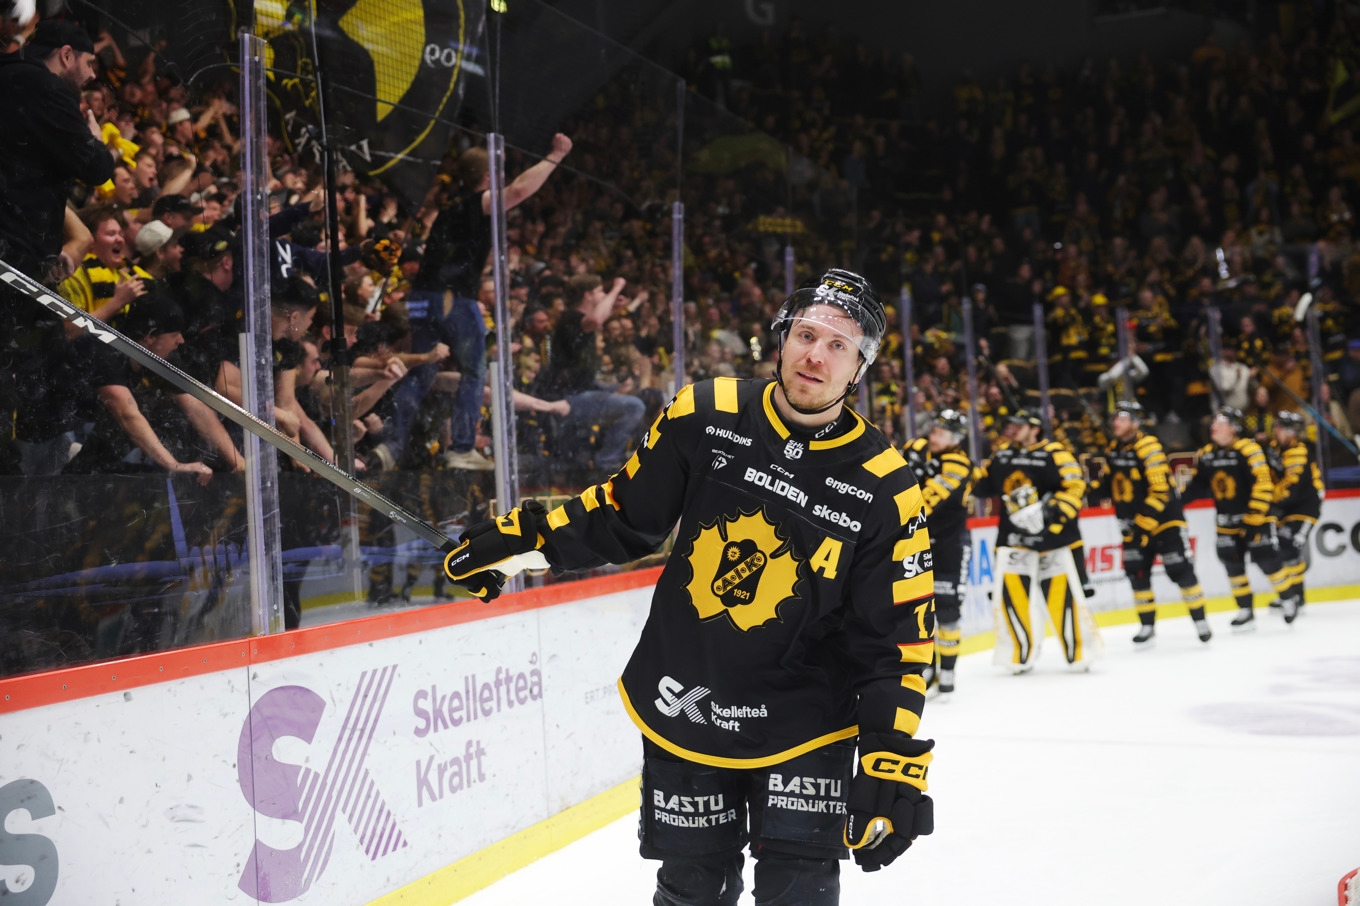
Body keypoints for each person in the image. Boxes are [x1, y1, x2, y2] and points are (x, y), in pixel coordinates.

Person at [443, 269, 936, 905]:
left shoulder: (886, 485)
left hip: (807, 725)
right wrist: (526, 541)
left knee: (800, 895)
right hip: (689, 703)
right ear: (782, 338)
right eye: (806, 335)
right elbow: (622, 514)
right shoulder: (707, 411)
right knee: (690, 892)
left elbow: (896, 640)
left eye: (838, 345)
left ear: (859, 367)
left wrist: (891, 760)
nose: (816, 355)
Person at [384, 134, 573, 471]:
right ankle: (461, 448)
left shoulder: (451, 206)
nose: (503, 179)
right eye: (498, 173)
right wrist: (555, 156)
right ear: (487, 176)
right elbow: (519, 191)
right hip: (454, 299)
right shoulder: (476, 202)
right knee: (474, 372)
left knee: (421, 370)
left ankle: (389, 446)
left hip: (422, 298)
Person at [63, 291, 243, 479]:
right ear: (149, 337)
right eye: (174, 334)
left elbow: (197, 409)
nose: (181, 340)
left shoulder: (160, 357)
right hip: (55, 434)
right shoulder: (108, 356)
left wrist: (238, 462)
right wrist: (173, 465)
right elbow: (127, 414)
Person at [973, 410, 1101, 673]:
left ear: (1034, 428)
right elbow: (983, 486)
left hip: (1052, 539)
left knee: (1063, 597)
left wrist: (1051, 512)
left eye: (1019, 425)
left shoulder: (1056, 453)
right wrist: (969, 473)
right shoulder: (1003, 454)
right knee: (1012, 599)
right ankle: (1018, 656)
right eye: (1011, 425)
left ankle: (1079, 653)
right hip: (1013, 539)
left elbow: (1076, 487)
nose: (1012, 429)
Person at [1103, 400, 1211, 645]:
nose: (1116, 422)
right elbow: (1108, 485)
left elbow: (1161, 492)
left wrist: (1142, 523)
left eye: (1122, 417)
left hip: (1164, 523)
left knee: (1181, 571)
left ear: (1135, 422)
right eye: (1115, 417)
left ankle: (1201, 622)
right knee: (1137, 574)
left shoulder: (1149, 446)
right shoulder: (1113, 449)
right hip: (1133, 526)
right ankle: (1147, 626)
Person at [1181, 407, 1291, 631]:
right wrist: (1176, 500)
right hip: (1226, 522)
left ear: (1233, 428)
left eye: (1220, 422)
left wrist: (1254, 518)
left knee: (1268, 561)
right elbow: (1198, 485)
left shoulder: (1249, 449)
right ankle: (1245, 610)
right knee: (1233, 565)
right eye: (1214, 421)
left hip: (1256, 519)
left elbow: (1263, 485)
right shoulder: (1207, 454)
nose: (1214, 426)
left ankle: (1288, 598)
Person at [536, 273, 647, 474]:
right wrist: (615, 288)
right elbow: (596, 319)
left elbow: (598, 317)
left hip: (585, 390)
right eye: (600, 291)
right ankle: (607, 462)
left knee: (645, 395)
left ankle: (625, 455)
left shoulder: (576, 320)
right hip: (570, 398)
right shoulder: (570, 317)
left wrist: (614, 306)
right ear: (587, 295)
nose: (603, 295)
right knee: (634, 406)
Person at [902, 408, 976, 698]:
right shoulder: (916, 447)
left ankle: (948, 673)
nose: (934, 437)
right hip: (917, 542)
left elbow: (926, 502)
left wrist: (910, 480)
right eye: (934, 430)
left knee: (947, 610)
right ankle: (927, 670)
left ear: (956, 439)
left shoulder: (959, 463)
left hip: (950, 545)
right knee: (917, 611)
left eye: (941, 434)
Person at [1265, 410, 1323, 622]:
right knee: (1287, 551)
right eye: (1278, 427)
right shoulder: (1273, 447)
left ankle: (1295, 596)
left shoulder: (1299, 451)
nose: (1278, 431)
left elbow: (1291, 488)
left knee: (1287, 547)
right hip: (1287, 508)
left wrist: (1268, 498)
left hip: (1306, 507)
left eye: (1282, 428)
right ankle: (1297, 596)